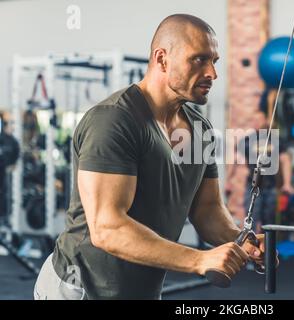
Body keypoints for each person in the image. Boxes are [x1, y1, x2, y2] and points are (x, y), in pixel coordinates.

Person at [34, 14, 270, 300]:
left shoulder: (200, 128)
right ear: (161, 59)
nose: (212, 73)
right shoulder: (113, 121)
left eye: (214, 62)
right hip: (82, 290)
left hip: (141, 290)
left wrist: (241, 241)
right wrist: (199, 260)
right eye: (199, 59)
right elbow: (108, 229)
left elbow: (207, 211)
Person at [239, 112, 294, 234]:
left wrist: (287, 183)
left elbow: (285, 160)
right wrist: (229, 181)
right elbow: (235, 161)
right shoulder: (247, 141)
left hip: (271, 187)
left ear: (265, 120)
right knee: (250, 221)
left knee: (269, 223)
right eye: (254, 119)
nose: (257, 122)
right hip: (252, 186)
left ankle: (267, 250)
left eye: (259, 119)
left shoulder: (275, 139)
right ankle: (250, 251)